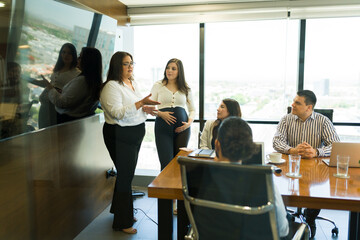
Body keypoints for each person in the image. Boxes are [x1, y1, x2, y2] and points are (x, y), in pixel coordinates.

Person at [100, 51, 159, 234]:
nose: (130, 66)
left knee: (127, 175)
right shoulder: (111, 86)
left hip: (135, 132)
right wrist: (140, 104)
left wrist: (145, 107)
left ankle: (120, 210)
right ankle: (122, 222)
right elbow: (117, 113)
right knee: (125, 177)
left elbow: (134, 107)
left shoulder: (132, 83)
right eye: (126, 63)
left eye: (132, 63)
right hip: (119, 134)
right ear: (117, 66)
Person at [273, 89, 340, 238]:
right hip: (290, 168)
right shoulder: (286, 119)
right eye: (293, 101)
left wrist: (316, 152)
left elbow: (335, 145)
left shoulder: (323, 121)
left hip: (315, 170)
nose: (292, 105)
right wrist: (292, 150)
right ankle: (285, 218)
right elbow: (276, 142)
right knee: (277, 187)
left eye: (297, 103)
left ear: (309, 108)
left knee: (321, 190)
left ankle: (310, 219)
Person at [210, 117, 289, 239]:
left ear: (217, 144)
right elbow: (282, 230)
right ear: (249, 148)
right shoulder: (264, 181)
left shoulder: (205, 176)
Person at [150, 58, 195, 170]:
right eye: (168, 68)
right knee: (166, 164)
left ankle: (179, 187)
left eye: (173, 69)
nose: (169, 71)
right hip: (163, 128)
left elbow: (192, 110)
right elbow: (149, 106)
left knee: (179, 162)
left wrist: (188, 124)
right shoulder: (158, 85)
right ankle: (164, 187)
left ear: (179, 71)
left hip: (183, 130)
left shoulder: (185, 87)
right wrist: (161, 114)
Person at [40, 47, 102, 124]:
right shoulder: (94, 81)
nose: (78, 59)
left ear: (87, 61)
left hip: (65, 121)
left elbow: (62, 102)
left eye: (80, 57)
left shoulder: (82, 81)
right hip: (76, 122)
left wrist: (50, 87)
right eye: (63, 52)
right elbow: (75, 97)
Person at [38, 43, 80, 128]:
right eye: (63, 52)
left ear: (74, 55)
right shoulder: (58, 68)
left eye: (69, 53)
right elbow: (52, 83)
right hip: (45, 105)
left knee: (50, 133)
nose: (65, 55)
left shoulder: (77, 73)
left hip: (56, 107)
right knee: (42, 130)